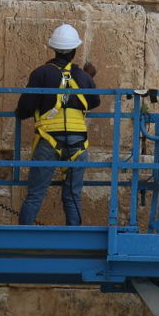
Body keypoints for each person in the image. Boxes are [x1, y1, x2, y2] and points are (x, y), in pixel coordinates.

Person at [16, 24, 100, 226]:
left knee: (35, 194)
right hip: (79, 143)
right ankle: (74, 245)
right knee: (72, 195)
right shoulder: (83, 77)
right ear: (74, 50)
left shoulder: (41, 74)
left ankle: (21, 242)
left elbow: (24, 110)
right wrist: (88, 78)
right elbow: (95, 102)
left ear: (53, 48)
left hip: (49, 139)